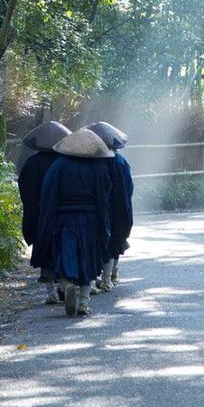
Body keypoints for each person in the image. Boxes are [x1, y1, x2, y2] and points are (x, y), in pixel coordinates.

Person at [36, 128, 113, 317]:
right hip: (90, 219)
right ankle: (84, 302)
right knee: (88, 257)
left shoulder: (58, 166)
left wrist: (47, 221)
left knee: (65, 254)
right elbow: (104, 198)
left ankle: (67, 283)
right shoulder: (99, 168)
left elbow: (48, 195)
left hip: (64, 218)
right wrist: (105, 224)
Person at [17, 121, 71, 303]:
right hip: (63, 214)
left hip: (40, 215)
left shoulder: (32, 163)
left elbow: (25, 191)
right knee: (64, 249)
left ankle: (51, 294)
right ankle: (64, 284)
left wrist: (34, 211)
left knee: (45, 252)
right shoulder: (67, 162)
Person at [84, 121, 133, 291]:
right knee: (112, 241)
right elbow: (126, 188)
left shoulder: (88, 162)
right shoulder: (119, 161)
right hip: (115, 207)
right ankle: (107, 278)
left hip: (93, 208)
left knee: (94, 242)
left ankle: (94, 279)